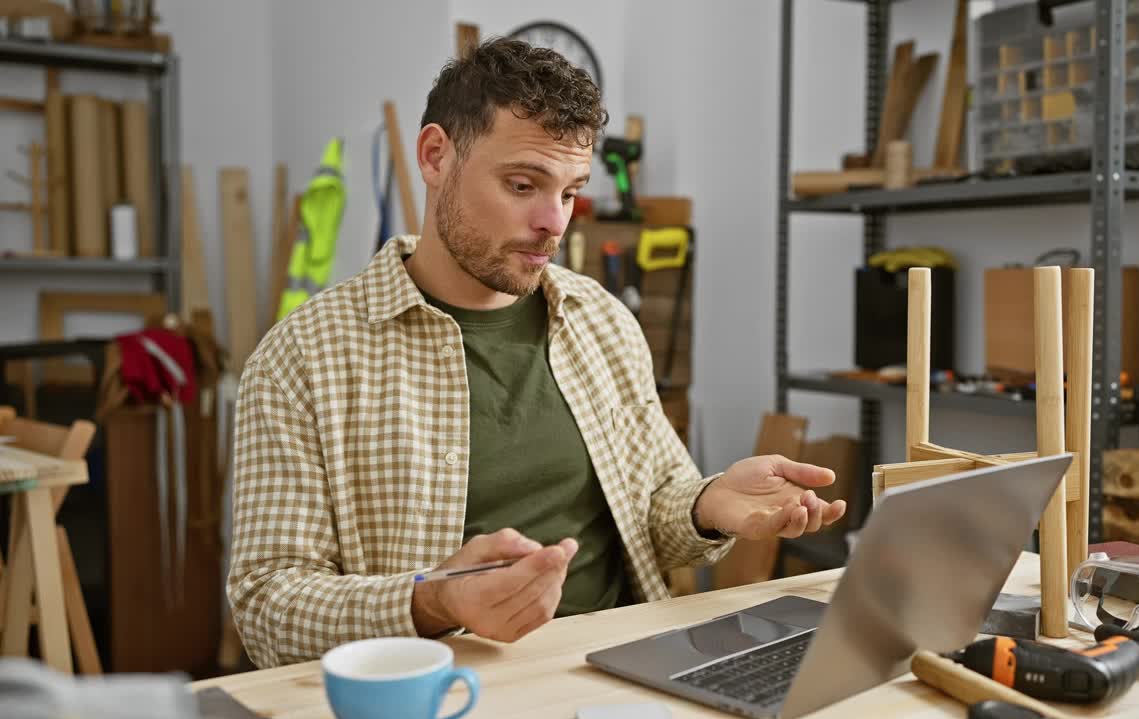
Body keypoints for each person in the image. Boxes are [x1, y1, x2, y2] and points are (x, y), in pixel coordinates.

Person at [227, 37, 846, 669]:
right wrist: (434, 602)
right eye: (524, 184)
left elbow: (656, 504)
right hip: (442, 692)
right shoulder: (302, 358)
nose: (555, 221)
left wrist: (709, 503)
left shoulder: (601, 320)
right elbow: (266, 607)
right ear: (436, 155)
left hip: (624, 675)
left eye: (571, 192)